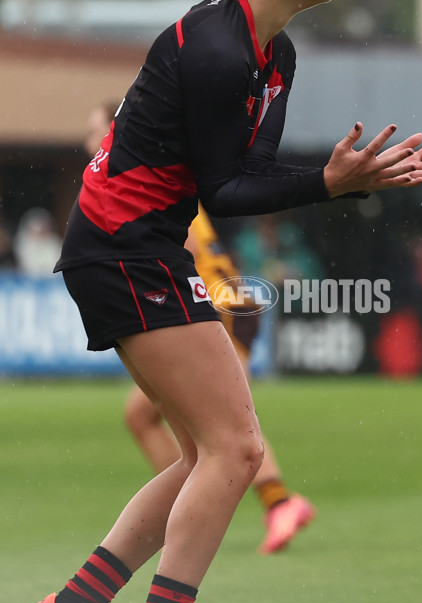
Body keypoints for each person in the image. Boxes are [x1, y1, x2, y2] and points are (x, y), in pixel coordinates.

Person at [20, 0, 422, 603]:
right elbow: (226, 188)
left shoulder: (274, 55)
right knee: (238, 446)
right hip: (123, 250)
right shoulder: (218, 51)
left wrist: (333, 181)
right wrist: (333, 183)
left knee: (203, 457)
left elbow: (243, 178)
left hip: (142, 249)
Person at [85, 101, 316, 553]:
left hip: (221, 305)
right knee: (168, 417)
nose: (87, 138)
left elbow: (180, 245)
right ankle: (211, 503)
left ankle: (273, 502)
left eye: (94, 128)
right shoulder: (135, 172)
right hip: (224, 303)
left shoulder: (136, 175)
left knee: (221, 424)